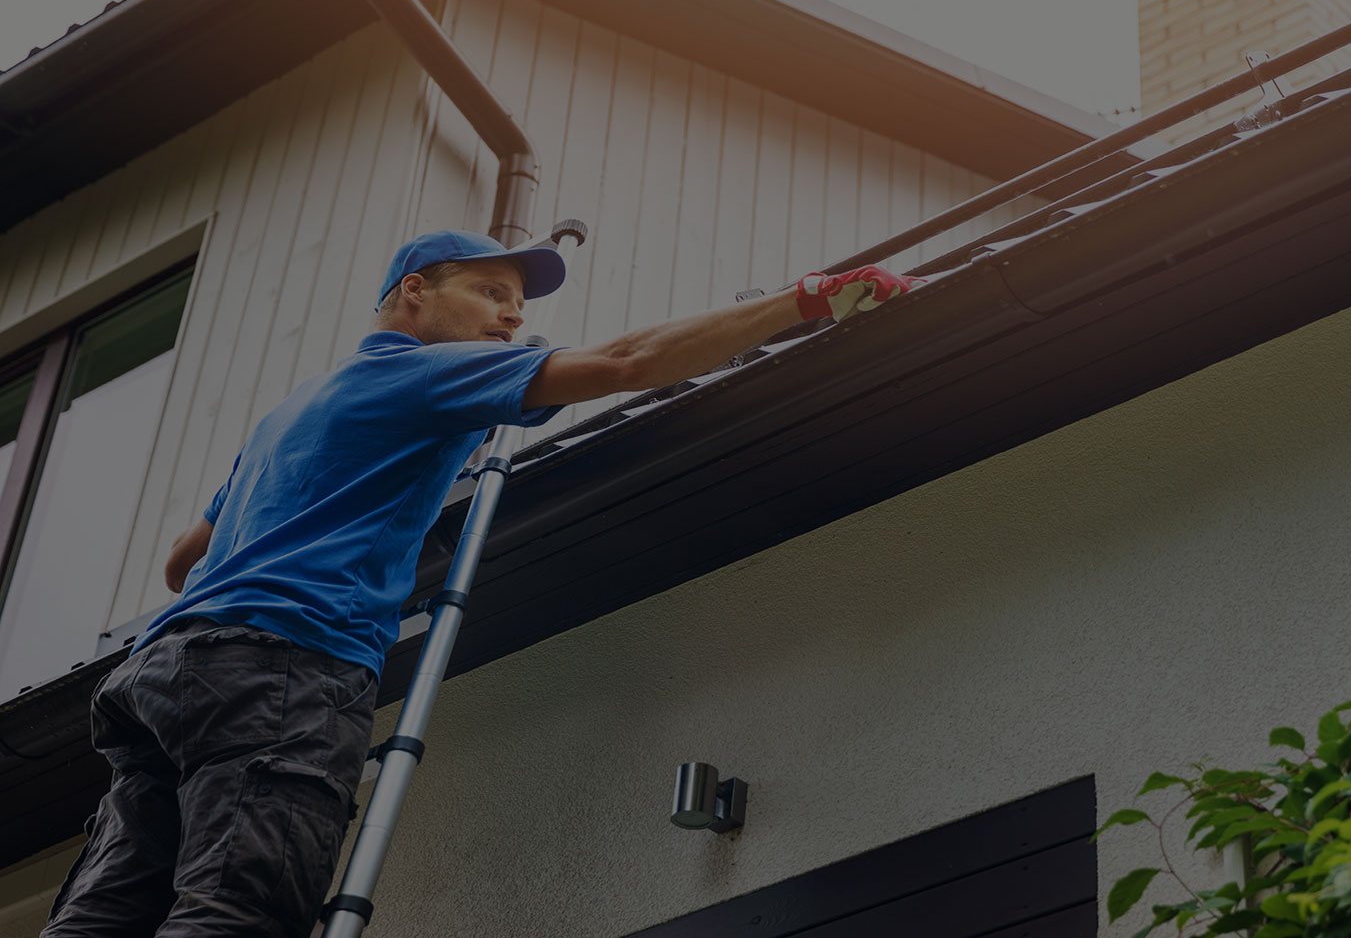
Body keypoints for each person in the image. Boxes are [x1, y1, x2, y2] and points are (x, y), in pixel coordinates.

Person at [41, 229, 919, 938]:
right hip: (284, 669)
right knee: (239, 907)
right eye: (492, 295)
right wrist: (803, 298)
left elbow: (181, 561)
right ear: (414, 291)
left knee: (108, 911)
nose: (510, 319)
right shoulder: (423, 374)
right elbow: (625, 361)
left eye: (520, 306)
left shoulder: (292, 412)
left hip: (165, 675)